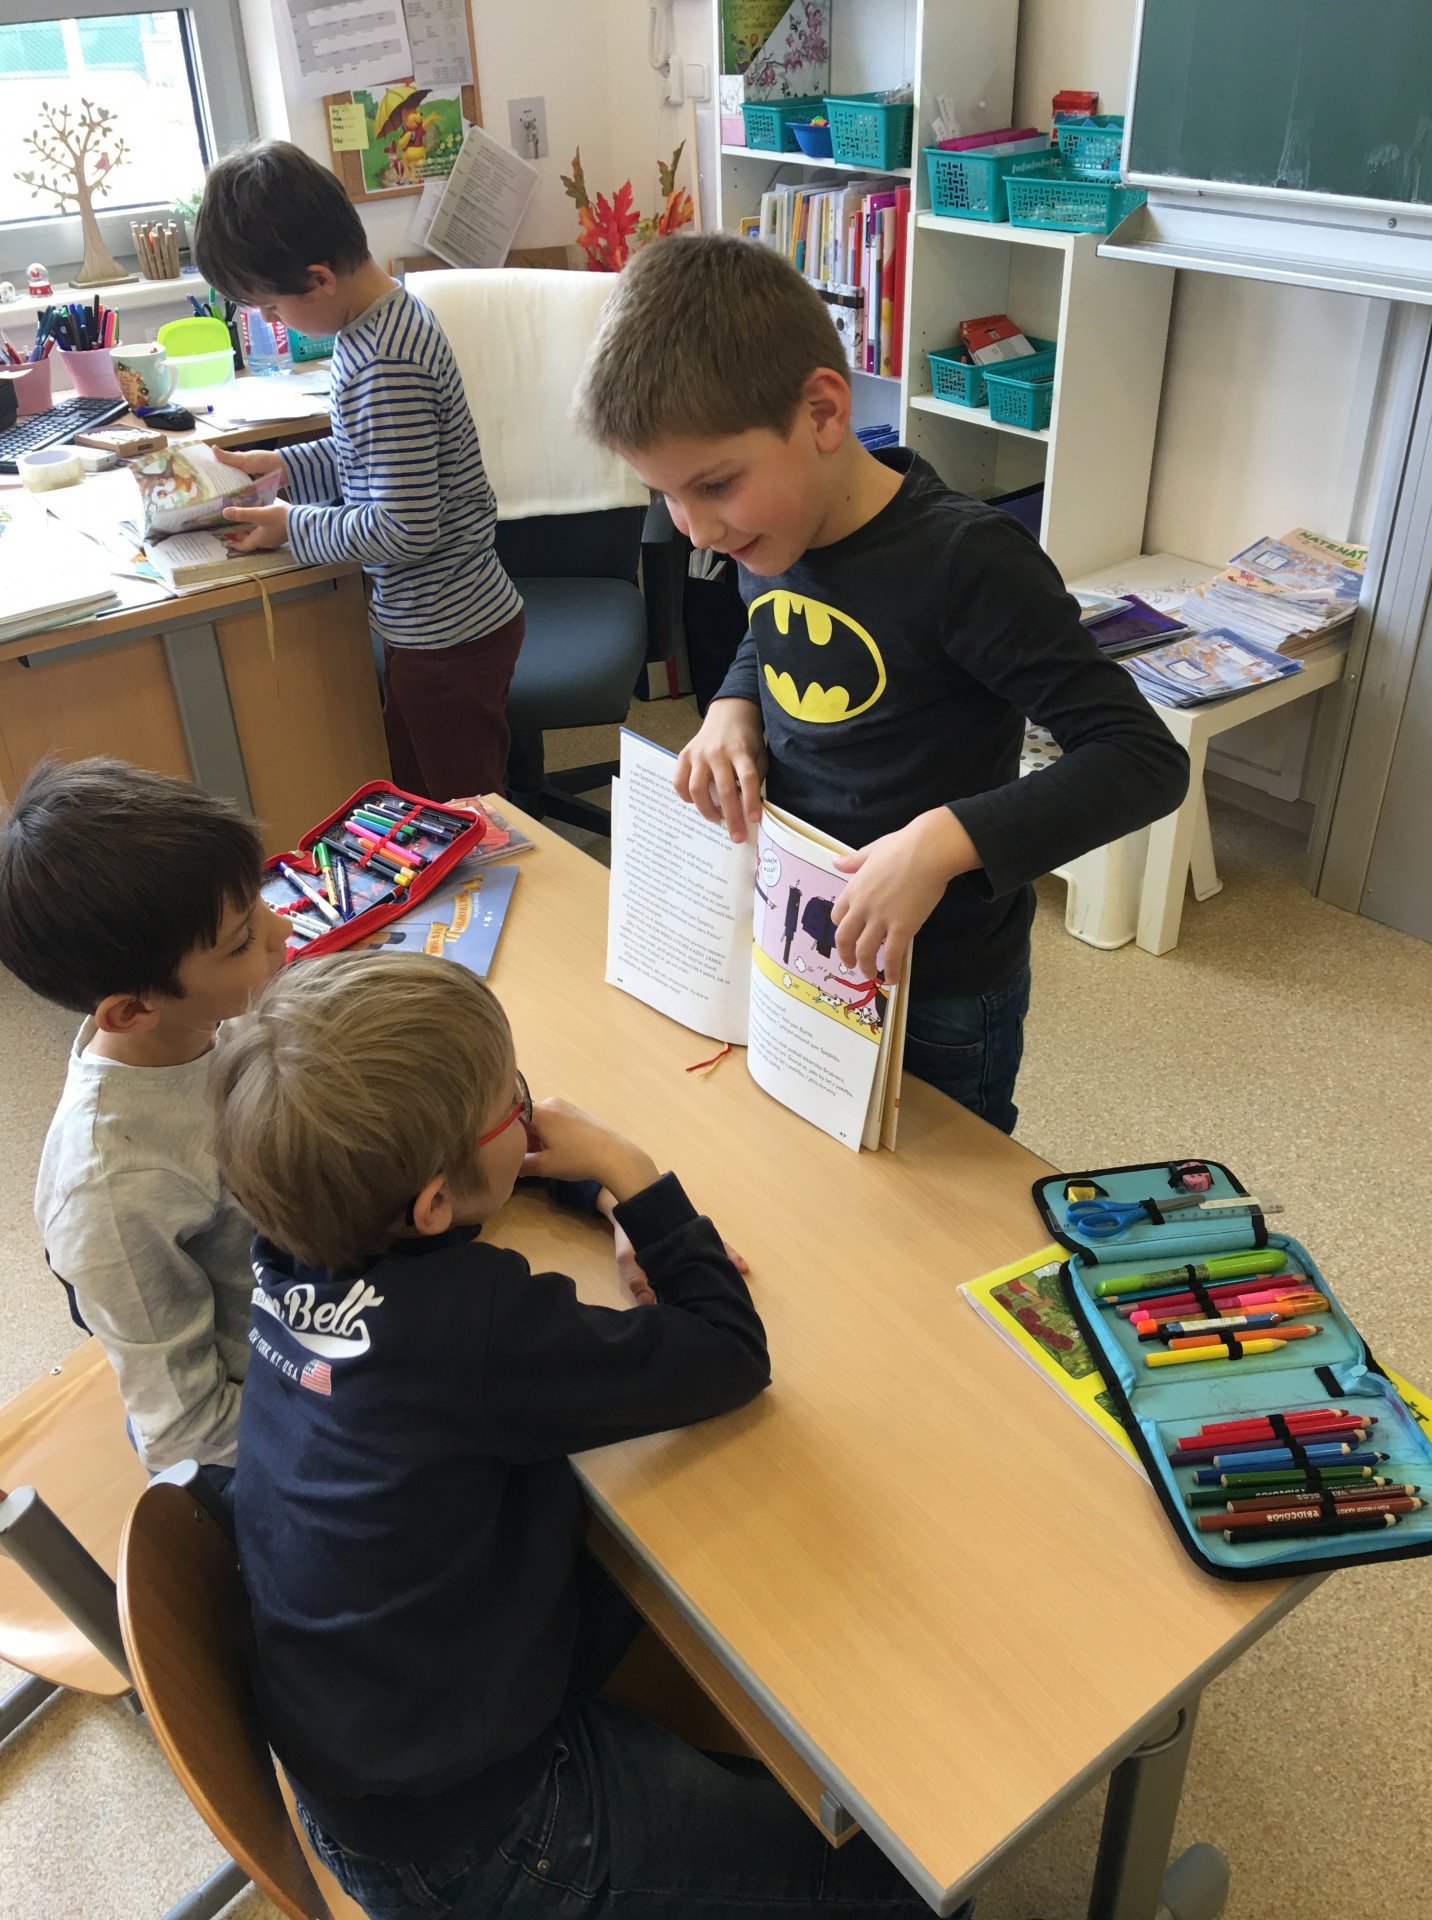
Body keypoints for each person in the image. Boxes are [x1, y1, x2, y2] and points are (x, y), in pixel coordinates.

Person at [212, 950, 943, 1920]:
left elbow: (466, 1194)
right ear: (432, 1202)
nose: (531, 1115)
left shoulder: (298, 1238)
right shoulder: (474, 1331)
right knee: (897, 1878)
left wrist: (576, 1186)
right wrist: (630, 1174)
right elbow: (729, 1352)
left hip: (375, 1746)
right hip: (487, 1836)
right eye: (513, 1105)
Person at [576, 233, 1191, 1134]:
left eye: (715, 485)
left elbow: (1142, 760)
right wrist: (736, 707)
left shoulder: (968, 562)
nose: (697, 531)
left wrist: (940, 844)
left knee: (940, 1193)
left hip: (936, 983)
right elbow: (777, 627)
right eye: (666, 495)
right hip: (802, 937)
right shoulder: (773, 528)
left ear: (824, 413)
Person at [193, 140, 524, 800]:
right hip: (433, 627)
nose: (271, 321)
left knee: (469, 815)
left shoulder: (384, 364)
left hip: (446, 638)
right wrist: (283, 466)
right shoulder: (381, 322)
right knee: (421, 795)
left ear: (319, 278)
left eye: (271, 307)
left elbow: (402, 528)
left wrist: (292, 526)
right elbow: (372, 456)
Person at [0, 759, 289, 1482]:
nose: (281, 928)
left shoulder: (210, 1018)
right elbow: (186, 1432)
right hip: (276, 1401)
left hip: (321, 1282)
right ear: (131, 1011)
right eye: (240, 942)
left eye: (258, 904)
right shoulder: (110, 1189)